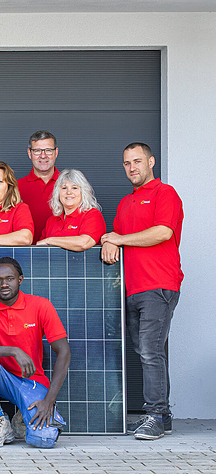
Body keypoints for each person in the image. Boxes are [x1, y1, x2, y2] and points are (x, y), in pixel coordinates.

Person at [101, 142, 183, 441]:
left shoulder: (165, 193)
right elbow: (116, 239)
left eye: (137, 161)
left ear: (151, 162)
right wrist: (110, 241)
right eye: (127, 163)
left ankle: (156, 415)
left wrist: (119, 239)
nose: (132, 167)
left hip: (159, 284)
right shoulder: (125, 203)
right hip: (132, 287)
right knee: (147, 351)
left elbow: (163, 232)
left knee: (150, 351)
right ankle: (163, 416)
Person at [0, 257, 70, 448]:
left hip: (32, 381)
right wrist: (14, 351)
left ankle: (23, 417)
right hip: (0, 377)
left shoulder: (41, 305)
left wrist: (49, 400)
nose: (4, 284)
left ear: (20, 279)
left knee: (44, 439)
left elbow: (64, 352)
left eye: (10, 278)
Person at [36, 169, 106, 251]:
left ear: (83, 192)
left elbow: (84, 243)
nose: (69, 192)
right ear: (58, 193)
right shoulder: (51, 220)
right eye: (64, 188)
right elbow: (41, 249)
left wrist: (50, 240)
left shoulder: (92, 215)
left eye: (74, 188)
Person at [18, 130, 60, 243]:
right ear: (29, 153)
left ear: (56, 152)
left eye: (48, 150)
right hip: (23, 251)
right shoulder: (15, 187)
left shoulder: (71, 187)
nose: (43, 156)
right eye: (37, 151)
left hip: (62, 251)